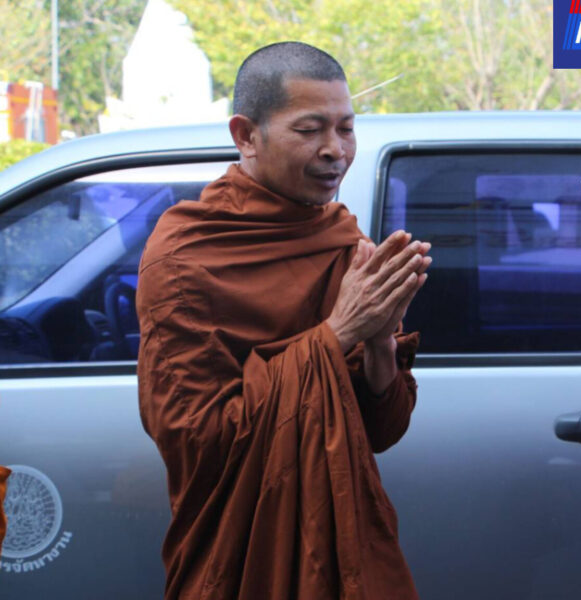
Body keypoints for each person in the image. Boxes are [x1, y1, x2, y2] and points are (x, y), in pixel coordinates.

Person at [136, 42, 430, 600]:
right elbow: (198, 441)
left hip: (342, 541)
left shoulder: (343, 240)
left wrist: (379, 344)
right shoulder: (186, 255)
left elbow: (382, 432)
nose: (335, 150)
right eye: (310, 130)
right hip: (238, 548)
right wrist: (338, 334)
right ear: (246, 135)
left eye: (346, 128)